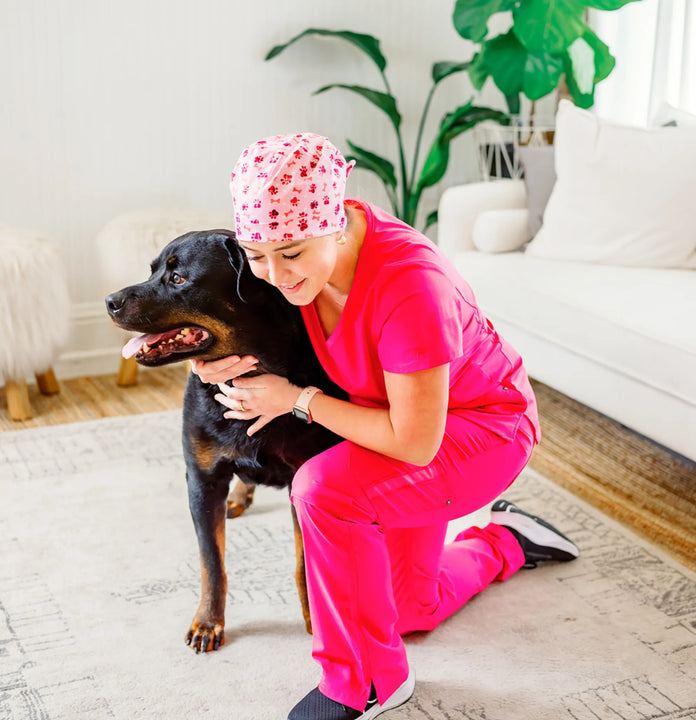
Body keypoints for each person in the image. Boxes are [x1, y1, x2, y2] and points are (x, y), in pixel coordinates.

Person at [190, 133, 579, 720]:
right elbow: (246, 318)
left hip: (479, 432)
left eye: (289, 252)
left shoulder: (409, 285)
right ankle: (507, 541)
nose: (273, 274)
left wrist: (297, 399)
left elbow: (414, 443)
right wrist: (212, 352)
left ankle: (367, 682)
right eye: (257, 254)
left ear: (336, 222)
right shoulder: (296, 267)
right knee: (405, 610)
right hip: (400, 425)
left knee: (324, 490)